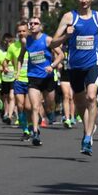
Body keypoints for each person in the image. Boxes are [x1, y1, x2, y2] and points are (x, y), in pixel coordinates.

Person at [52, 0, 98, 156]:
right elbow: (53, 43)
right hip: (74, 66)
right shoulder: (69, 17)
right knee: (80, 104)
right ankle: (88, 129)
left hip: (93, 62)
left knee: (91, 96)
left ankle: (87, 137)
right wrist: (66, 36)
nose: (84, 1)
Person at [18, 17, 63, 145]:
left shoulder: (47, 40)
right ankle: (36, 133)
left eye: (35, 23)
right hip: (33, 77)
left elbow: (61, 55)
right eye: (30, 23)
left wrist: (52, 66)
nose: (32, 25)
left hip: (47, 78)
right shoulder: (26, 41)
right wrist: (18, 71)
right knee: (34, 106)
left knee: (49, 106)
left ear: (40, 26)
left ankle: (49, 112)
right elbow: (20, 57)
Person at [6, 22, 32, 139]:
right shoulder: (12, 47)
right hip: (18, 79)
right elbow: (5, 61)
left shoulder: (33, 44)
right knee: (20, 106)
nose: (21, 33)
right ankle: (25, 130)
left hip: (32, 79)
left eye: (24, 31)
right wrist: (6, 67)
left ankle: (32, 125)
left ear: (28, 31)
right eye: (19, 31)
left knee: (28, 107)